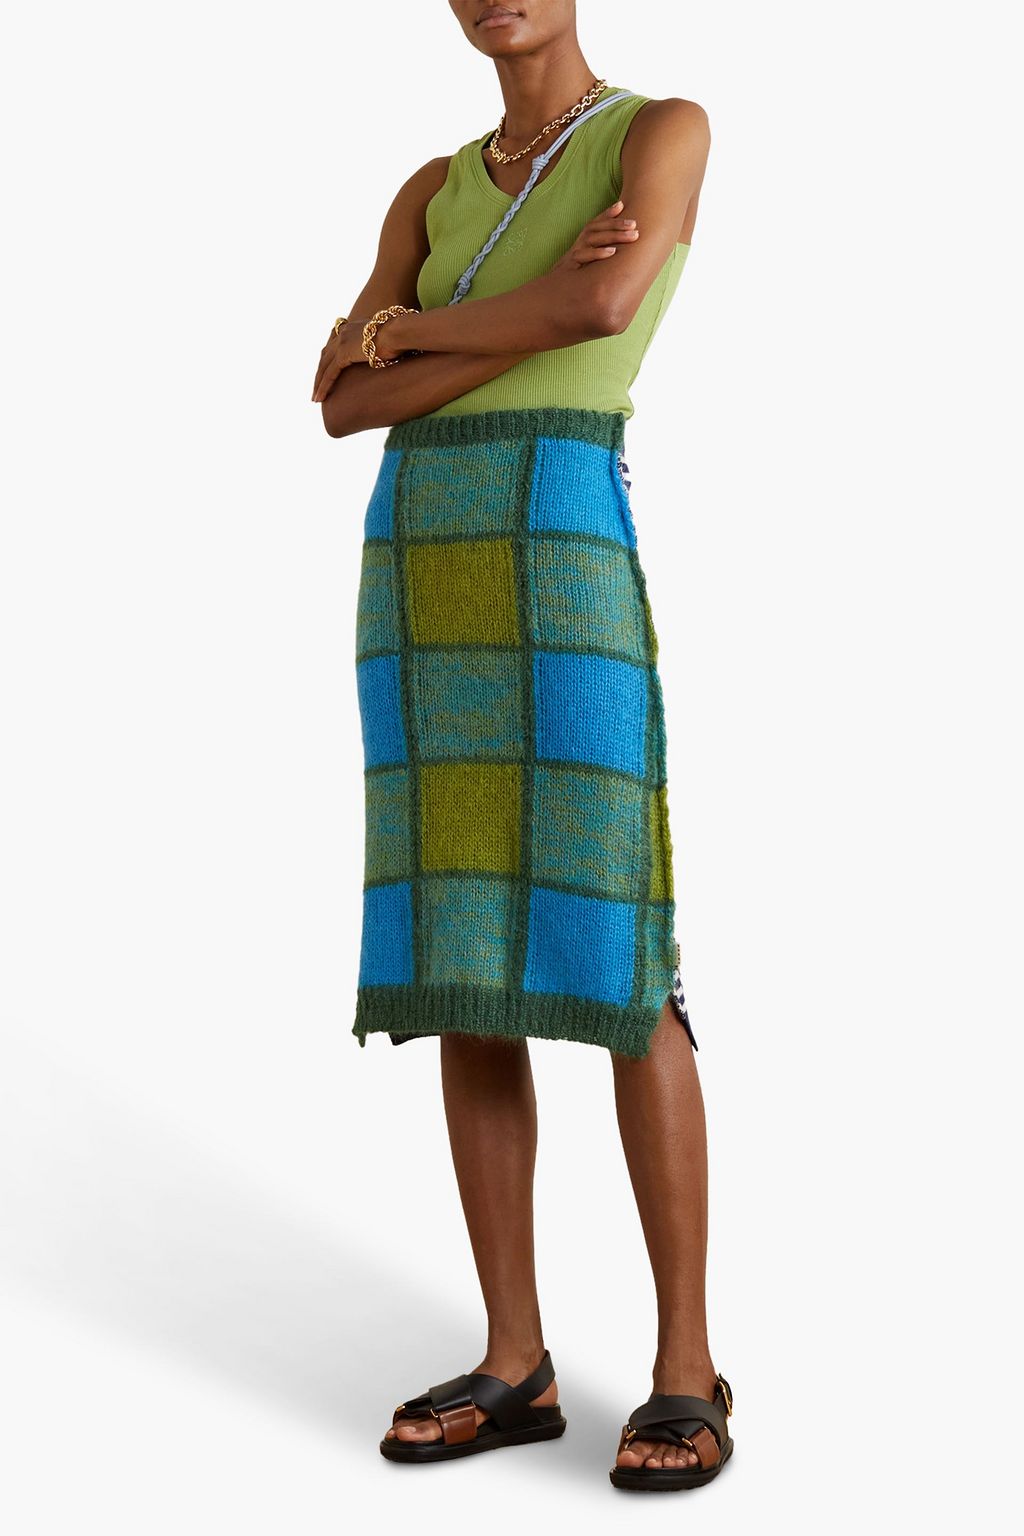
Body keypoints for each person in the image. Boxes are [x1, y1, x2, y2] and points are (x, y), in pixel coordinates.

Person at [312, 0, 729, 1493]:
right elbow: (339, 402)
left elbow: (599, 314)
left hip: (561, 537)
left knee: (621, 952)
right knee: (464, 954)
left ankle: (687, 1370)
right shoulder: (431, 189)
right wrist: (508, 312)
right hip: (419, 567)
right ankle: (516, 1361)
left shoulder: (656, 132)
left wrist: (409, 330)